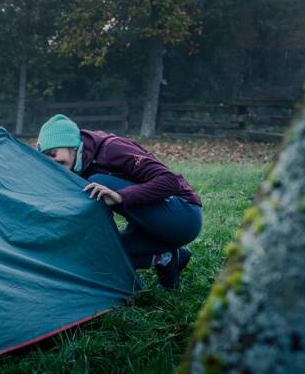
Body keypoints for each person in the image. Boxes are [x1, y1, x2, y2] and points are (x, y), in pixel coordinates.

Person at [36, 114, 203, 289]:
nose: (52, 162)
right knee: (100, 256)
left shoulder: (111, 148)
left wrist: (121, 196)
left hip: (184, 214)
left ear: (71, 144)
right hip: (147, 223)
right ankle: (167, 258)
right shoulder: (76, 165)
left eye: (53, 153)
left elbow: (170, 181)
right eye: (46, 158)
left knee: (99, 182)